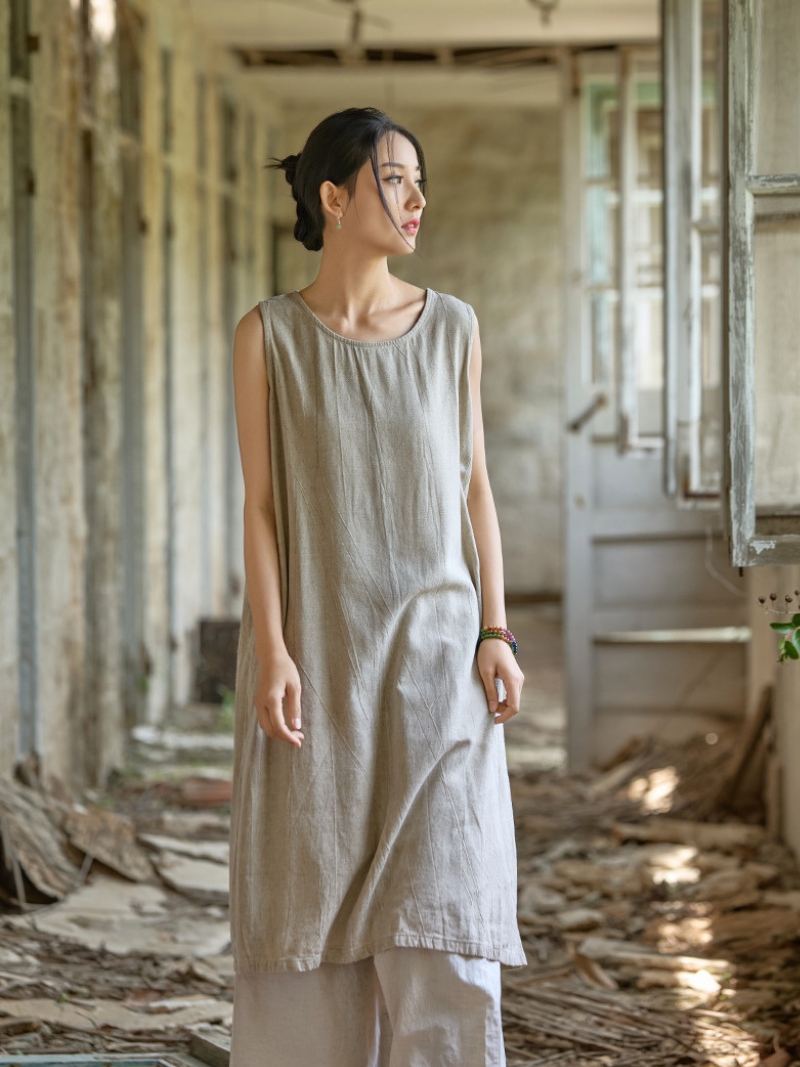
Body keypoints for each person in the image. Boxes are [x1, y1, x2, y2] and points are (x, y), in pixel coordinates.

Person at [228, 105, 527, 1067]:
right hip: (317, 666)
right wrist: (273, 650)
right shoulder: (268, 335)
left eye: (419, 180)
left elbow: (475, 488)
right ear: (333, 195)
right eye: (394, 179)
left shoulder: (454, 328)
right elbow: (261, 507)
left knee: (445, 918)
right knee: (308, 908)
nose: (416, 198)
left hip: (440, 668)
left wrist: (496, 630)